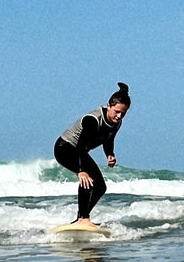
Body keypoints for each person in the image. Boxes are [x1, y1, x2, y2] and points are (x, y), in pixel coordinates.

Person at [54, 83, 131, 225]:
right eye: (117, 111)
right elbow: (80, 147)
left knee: (101, 187)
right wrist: (80, 170)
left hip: (80, 152)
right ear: (109, 106)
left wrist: (110, 154)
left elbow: (109, 139)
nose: (119, 116)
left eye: (123, 113)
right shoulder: (93, 120)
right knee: (87, 179)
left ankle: (81, 218)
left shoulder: (116, 123)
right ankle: (83, 218)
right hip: (65, 149)